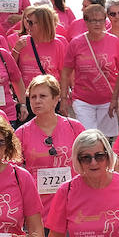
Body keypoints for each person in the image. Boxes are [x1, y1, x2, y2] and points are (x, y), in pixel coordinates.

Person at [18, 76, 86, 214]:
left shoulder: (75, 127)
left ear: (56, 99)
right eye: (33, 97)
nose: (37, 101)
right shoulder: (21, 133)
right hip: (39, 209)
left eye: (42, 96)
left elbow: (88, 162)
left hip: (74, 206)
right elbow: (15, 173)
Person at [62, 1, 119, 138]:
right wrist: (64, 99)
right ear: (86, 22)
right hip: (83, 100)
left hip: (108, 100)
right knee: (89, 137)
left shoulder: (114, 41)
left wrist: (116, 98)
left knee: (105, 139)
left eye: (101, 20)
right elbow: (66, 72)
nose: (97, 24)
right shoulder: (76, 43)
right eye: (93, 20)